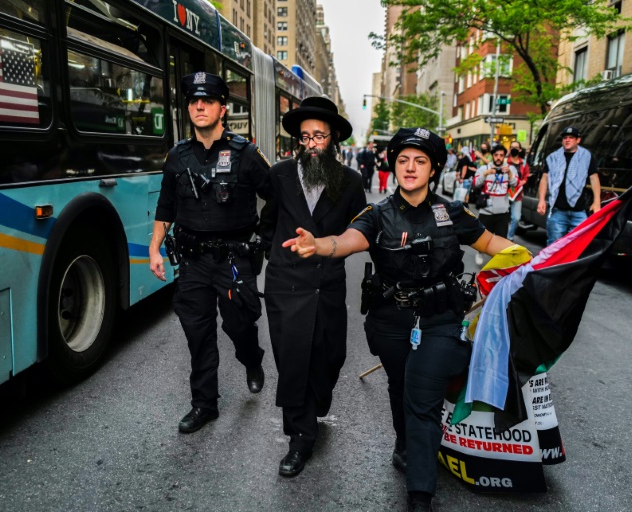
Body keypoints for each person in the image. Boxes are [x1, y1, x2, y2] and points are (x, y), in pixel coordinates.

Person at [282, 127, 514, 512]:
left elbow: (491, 243)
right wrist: (319, 245)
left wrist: (533, 259)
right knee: (400, 385)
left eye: (420, 161)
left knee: (422, 399)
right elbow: (347, 240)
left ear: (434, 168)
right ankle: (404, 443)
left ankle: (420, 492)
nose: (410, 167)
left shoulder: (452, 213)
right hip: (390, 321)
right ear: (394, 166)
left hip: (440, 320)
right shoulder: (378, 214)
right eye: (404, 160)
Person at [148, 72, 270, 434]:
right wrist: (154, 248)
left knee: (239, 326)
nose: (199, 106)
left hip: (234, 260)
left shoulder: (246, 154)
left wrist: (264, 238)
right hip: (192, 261)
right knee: (197, 334)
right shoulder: (177, 157)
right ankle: (204, 405)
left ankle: (252, 359)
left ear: (222, 108)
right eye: (193, 101)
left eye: (208, 101)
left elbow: (276, 198)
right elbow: (165, 208)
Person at [259, 96, 366, 477]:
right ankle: (300, 437)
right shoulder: (281, 175)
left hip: (328, 285)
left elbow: (360, 231)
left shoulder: (351, 182)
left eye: (319, 136)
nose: (311, 144)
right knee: (293, 362)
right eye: (305, 137)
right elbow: (268, 223)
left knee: (329, 359)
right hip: (285, 286)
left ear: (333, 138)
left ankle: (316, 405)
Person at [537, 126, 601, 245]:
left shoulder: (586, 156)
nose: (567, 140)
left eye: (571, 137)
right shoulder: (553, 157)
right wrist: (541, 200)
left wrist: (597, 201)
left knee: (578, 247)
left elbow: (594, 178)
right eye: (565, 138)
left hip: (579, 211)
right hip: (558, 211)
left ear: (578, 140)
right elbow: (544, 179)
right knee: (554, 247)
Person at [472, 144, 517, 265]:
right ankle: (480, 252)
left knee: (502, 239)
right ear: (492, 156)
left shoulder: (510, 169)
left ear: (504, 157)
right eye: (496, 155)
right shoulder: (484, 168)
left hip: (503, 211)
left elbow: (515, 184)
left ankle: (498, 261)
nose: (498, 158)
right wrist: (486, 173)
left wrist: (510, 174)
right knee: (482, 236)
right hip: (486, 210)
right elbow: (475, 183)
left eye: (501, 155)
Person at [506, 141, 530, 239]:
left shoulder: (523, 163)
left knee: (516, 218)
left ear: (520, 150)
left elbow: (526, 177)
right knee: (502, 218)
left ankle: (509, 238)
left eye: (516, 147)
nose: (514, 149)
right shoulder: (505, 161)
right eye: (512, 147)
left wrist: (522, 182)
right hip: (504, 193)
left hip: (517, 194)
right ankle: (501, 238)